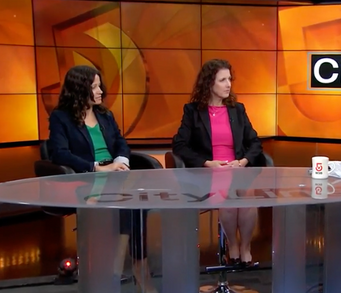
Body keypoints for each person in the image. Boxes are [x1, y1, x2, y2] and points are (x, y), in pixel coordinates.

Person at [48, 65, 157, 293]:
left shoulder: (105, 114)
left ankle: (119, 272)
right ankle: (135, 269)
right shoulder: (61, 117)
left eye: (99, 86)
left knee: (138, 201)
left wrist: (121, 162)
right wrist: (97, 167)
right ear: (79, 90)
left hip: (114, 173)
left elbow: (121, 143)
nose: (101, 91)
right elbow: (59, 152)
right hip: (87, 177)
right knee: (131, 206)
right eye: (95, 87)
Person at [172, 59, 263, 267]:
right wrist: (206, 163)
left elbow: (254, 142)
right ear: (209, 83)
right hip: (211, 173)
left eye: (230, 79)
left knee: (248, 196)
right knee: (229, 195)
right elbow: (179, 145)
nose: (228, 84)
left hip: (238, 168)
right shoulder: (193, 111)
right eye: (223, 80)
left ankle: (246, 247)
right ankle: (232, 246)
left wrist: (242, 161)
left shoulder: (237, 110)